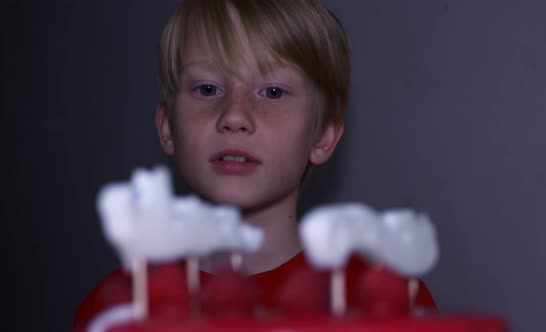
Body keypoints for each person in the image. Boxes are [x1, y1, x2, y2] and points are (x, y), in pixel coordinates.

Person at [72, 1, 436, 330]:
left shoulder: (389, 305)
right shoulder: (117, 311)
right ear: (168, 128)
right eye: (208, 89)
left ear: (322, 136)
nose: (233, 116)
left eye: (273, 92)